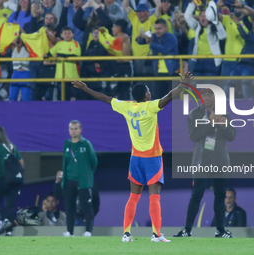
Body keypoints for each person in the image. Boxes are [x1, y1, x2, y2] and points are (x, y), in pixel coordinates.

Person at [71, 71, 194, 243]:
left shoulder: (127, 107)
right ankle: (156, 235)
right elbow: (169, 96)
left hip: (135, 158)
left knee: (134, 196)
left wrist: (86, 89)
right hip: (152, 157)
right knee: (154, 195)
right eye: (149, 91)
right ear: (146, 95)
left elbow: (105, 98)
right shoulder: (150, 107)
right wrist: (183, 85)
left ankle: (126, 233)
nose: (151, 93)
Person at [174, 88, 236, 238]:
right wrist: (210, 124)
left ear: (215, 97)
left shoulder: (223, 113)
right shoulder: (194, 114)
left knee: (220, 196)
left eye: (210, 95)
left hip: (220, 161)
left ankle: (220, 231)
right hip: (201, 162)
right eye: (204, 95)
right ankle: (187, 230)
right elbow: (193, 136)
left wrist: (223, 124)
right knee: (196, 196)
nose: (207, 97)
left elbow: (232, 136)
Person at [61, 120, 98, 237]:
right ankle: (69, 231)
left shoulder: (86, 144)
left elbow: (94, 161)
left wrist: (87, 173)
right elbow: (65, 162)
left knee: (87, 206)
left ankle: (88, 231)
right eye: (71, 129)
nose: (73, 131)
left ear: (80, 130)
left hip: (83, 181)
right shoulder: (67, 144)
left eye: (76, 128)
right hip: (69, 180)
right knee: (70, 207)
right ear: (69, 131)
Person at [0, 126, 25, 236]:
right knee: (10, 205)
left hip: (3, 179)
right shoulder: (12, 146)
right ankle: (9, 232)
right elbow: (21, 163)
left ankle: (4, 220)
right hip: (16, 180)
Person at [226, 2, 254, 99]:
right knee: (229, 84)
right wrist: (244, 15)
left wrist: (237, 23)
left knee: (245, 86)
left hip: (251, 66)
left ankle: (249, 105)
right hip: (240, 64)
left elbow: (246, 37)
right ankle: (223, 104)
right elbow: (248, 22)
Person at [137, 18, 179, 99]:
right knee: (157, 98)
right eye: (155, 29)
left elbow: (164, 50)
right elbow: (140, 42)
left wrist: (151, 43)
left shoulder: (172, 38)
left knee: (174, 98)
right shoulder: (154, 37)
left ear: (166, 28)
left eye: (159, 28)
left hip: (172, 72)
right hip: (159, 72)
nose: (157, 31)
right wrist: (139, 37)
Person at [184, 1, 226, 77]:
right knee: (197, 86)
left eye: (205, 16)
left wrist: (216, 21)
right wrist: (193, 3)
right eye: (201, 16)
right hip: (198, 60)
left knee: (209, 86)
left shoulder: (215, 27)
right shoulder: (197, 27)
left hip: (212, 61)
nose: (202, 18)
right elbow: (187, 16)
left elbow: (223, 36)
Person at [123, 0, 161, 78]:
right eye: (138, 12)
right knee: (138, 80)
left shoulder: (152, 20)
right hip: (136, 57)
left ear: (148, 12)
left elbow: (159, 6)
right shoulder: (135, 19)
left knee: (149, 80)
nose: (139, 14)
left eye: (142, 12)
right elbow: (125, 6)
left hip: (149, 57)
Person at [43, 26, 81, 101]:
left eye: (69, 33)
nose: (67, 35)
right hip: (60, 76)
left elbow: (76, 55)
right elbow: (51, 53)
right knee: (62, 97)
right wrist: (46, 55)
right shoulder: (59, 44)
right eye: (65, 33)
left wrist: (62, 55)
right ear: (61, 35)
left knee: (74, 97)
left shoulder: (75, 44)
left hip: (72, 76)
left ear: (73, 34)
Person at [9, 37, 32, 101]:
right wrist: (13, 40)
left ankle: (27, 110)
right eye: (17, 39)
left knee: (26, 97)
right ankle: (12, 110)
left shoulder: (26, 48)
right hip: (15, 74)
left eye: (20, 39)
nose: (18, 40)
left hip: (25, 73)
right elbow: (5, 41)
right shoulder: (14, 47)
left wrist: (22, 35)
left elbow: (29, 41)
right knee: (12, 96)